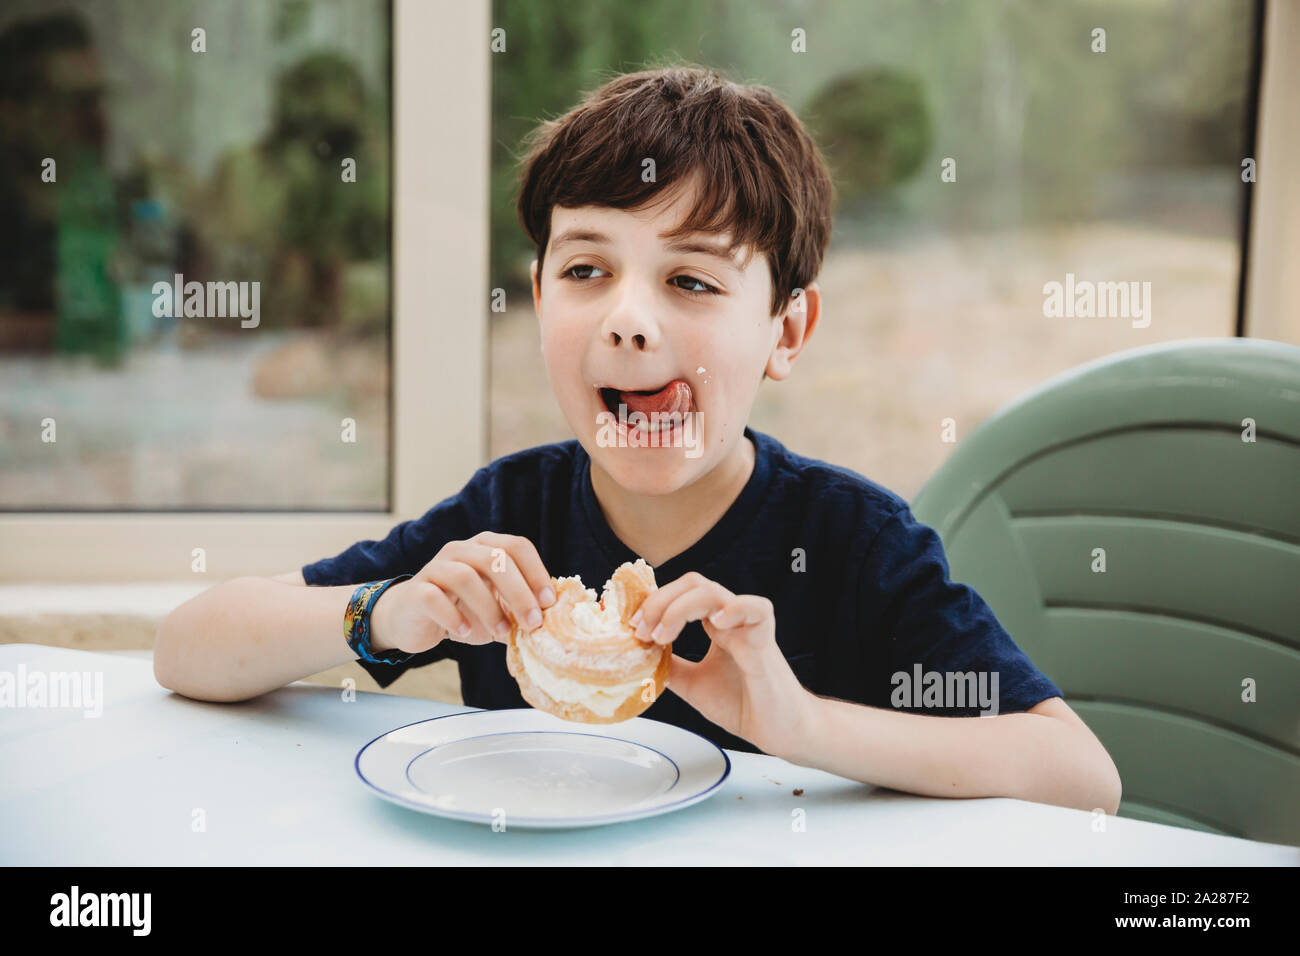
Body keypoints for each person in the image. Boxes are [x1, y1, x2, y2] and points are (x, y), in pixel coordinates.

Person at [155, 65, 1121, 814]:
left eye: (691, 281)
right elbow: (188, 650)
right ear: (538, 300)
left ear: (785, 332)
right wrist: (383, 613)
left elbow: (1081, 775)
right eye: (585, 270)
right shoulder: (506, 518)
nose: (628, 321)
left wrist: (800, 724)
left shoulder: (853, 543)